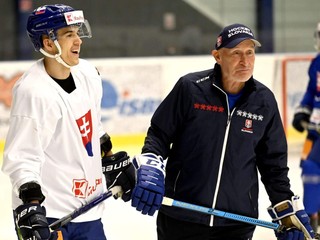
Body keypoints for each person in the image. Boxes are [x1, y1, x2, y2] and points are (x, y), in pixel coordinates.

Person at [129, 23, 315, 240]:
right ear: (217, 56)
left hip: (236, 222)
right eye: (236, 53)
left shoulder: (264, 102)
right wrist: (152, 165)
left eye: (250, 53)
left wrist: (285, 211)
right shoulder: (190, 88)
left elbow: (273, 166)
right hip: (181, 217)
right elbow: (159, 134)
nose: (245, 61)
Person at [1, 4, 135, 240]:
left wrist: (110, 158)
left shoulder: (88, 74)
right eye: (68, 34)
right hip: (50, 218)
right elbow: (22, 157)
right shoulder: (34, 91)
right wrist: (31, 208)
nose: (78, 41)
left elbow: (93, 126)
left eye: (77, 32)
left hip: (89, 209)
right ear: (48, 43)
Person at [292, 22, 320, 233]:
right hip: (315, 133)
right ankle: (312, 222)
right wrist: (303, 111)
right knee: (308, 171)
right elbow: (312, 92)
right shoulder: (317, 63)